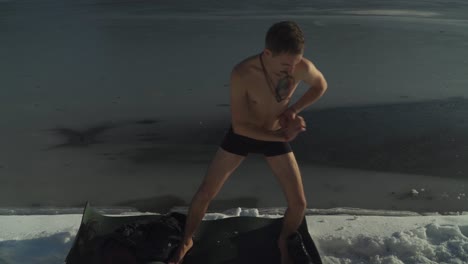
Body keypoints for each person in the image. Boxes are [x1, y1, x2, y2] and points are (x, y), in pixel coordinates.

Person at [169, 20, 328, 264]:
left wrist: (293, 110)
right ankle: (188, 239)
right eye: (285, 64)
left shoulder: (299, 66)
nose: (291, 70)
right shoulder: (242, 73)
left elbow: (320, 85)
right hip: (243, 135)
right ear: (267, 53)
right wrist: (284, 135)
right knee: (205, 193)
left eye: (295, 64)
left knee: (299, 203)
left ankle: (283, 239)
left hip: (274, 133)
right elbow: (241, 125)